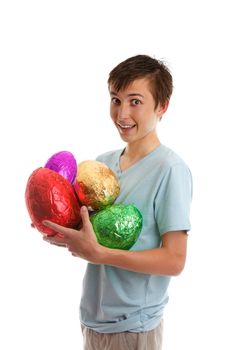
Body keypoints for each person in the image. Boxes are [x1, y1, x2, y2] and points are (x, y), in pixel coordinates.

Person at [43, 54, 193, 350]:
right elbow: (89, 233)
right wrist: (59, 226)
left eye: (135, 101)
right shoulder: (103, 164)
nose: (122, 114)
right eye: (115, 100)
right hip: (93, 320)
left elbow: (175, 260)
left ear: (162, 106)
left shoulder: (170, 169)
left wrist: (100, 254)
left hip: (133, 328)